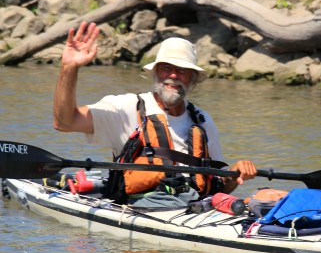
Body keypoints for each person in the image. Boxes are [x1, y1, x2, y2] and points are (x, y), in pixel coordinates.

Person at [53, 21, 257, 206]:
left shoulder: (202, 121)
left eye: (183, 70)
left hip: (194, 210)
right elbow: (65, 122)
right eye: (166, 68)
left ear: (193, 79)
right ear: (156, 72)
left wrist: (233, 176)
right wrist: (69, 68)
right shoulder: (126, 107)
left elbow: (217, 187)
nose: (174, 75)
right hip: (140, 208)